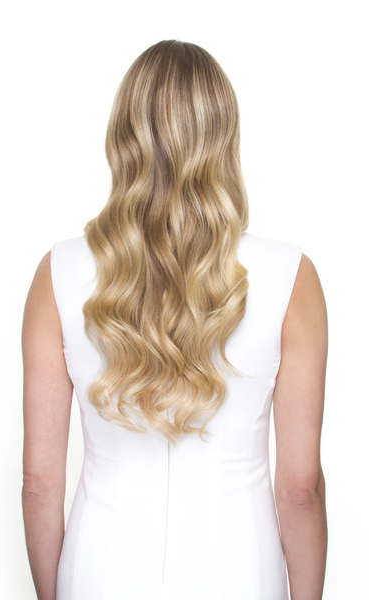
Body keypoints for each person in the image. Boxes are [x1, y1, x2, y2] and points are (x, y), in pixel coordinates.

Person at [22, 40, 328, 600]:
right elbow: (300, 489)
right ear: (224, 138)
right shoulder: (292, 277)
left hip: (98, 573)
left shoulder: (56, 273)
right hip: (240, 575)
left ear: (123, 137)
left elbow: (39, 485)